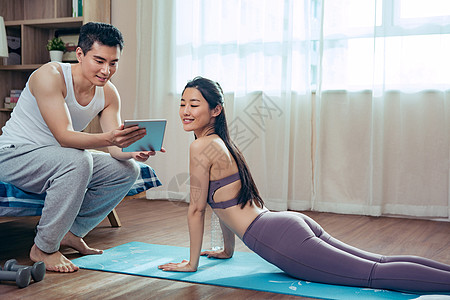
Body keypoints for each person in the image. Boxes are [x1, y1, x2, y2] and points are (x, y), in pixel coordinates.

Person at [158, 76, 450, 293]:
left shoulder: (200, 148)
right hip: (284, 224)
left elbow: (197, 209)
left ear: (216, 110)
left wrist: (191, 264)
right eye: (182, 103)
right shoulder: (223, 144)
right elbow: (227, 203)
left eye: (194, 104)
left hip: (277, 238)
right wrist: (227, 250)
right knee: (379, 261)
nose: (185, 110)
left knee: (373, 274)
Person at [0, 22, 164, 273]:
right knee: (78, 160)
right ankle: (43, 247)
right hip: (14, 154)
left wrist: (135, 150)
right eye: (99, 60)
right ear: (79, 54)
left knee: (128, 169)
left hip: (57, 158)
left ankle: (70, 232)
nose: (106, 70)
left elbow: (116, 150)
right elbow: (65, 137)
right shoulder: (49, 76)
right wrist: (112, 138)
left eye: (113, 62)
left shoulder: (108, 94)